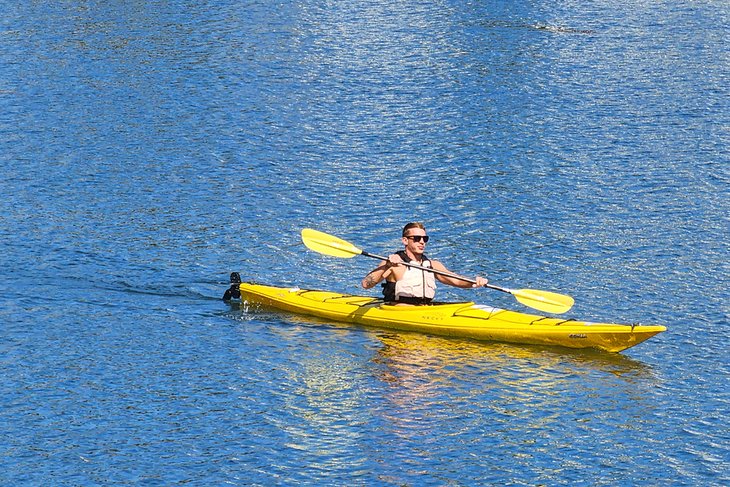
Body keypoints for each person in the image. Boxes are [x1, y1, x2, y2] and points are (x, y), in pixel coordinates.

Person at [361, 222, 488, 305]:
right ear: (405, 241)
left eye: (424, 239)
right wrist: (386, 266)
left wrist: (474, 283)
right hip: (398, 311)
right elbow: (366, 284)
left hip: (425, 309)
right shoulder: (394, 263)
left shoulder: (433, 265)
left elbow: (456, 281)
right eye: (416, 239)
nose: (422, 242)